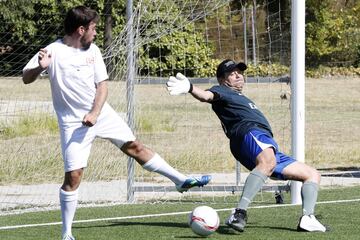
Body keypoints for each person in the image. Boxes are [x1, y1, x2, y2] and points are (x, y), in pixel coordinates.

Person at [22, 6, 210, 240]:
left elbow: (102, 86)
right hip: (73, 124)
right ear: (81, 29)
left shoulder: (94, 51)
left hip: (101, 113)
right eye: (93, 28)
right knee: (73, 177)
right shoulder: (52, 51)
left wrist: (94, 112)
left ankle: (180, 181)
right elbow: (25, 78)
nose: (96, 32)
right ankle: (66, 233)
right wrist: (40, 67)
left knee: (135, 147)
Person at [166, 59, 328, 232]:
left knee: (312, 174)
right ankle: (239, 213)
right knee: (267, 162)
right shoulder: (221, 90)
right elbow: (207, 96)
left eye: (240, 72)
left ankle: (308, 217)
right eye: (232, 73)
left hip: (264, 141)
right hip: (250, 134)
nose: (238, 75)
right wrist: (190, 87)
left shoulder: (240, 96)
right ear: (222, 79)